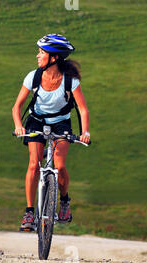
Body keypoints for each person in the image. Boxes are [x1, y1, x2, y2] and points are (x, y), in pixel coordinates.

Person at [12, 34, 90, 231]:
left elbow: (82, 109)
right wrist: (18, 125)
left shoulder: (70, 81)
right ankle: (30, 212)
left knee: (61, 166)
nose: (37, 56)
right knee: (33, 165)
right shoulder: (34, 76)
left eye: (42, 53)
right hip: (36, 121)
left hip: (61, 123)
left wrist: (85, 132)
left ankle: (64, 201)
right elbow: (17, 106)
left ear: (54, 58)